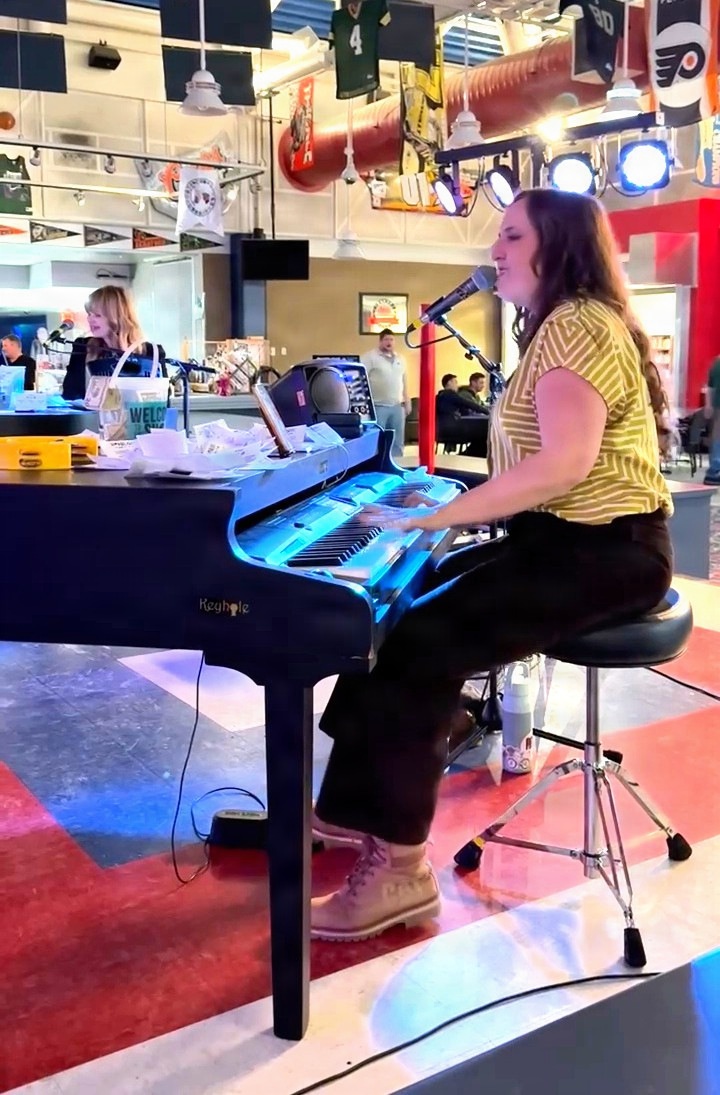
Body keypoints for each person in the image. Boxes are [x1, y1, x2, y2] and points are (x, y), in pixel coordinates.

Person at [310, 188, 673, 942]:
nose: (494, 251)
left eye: (511, 235)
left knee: (426, 640)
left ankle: (403, 869)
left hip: (612, 551)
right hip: (566, 538)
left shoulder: (575, 323)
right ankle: (352, 812)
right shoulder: (560, 324)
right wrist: (444, 499)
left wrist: (434, 513)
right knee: (397, 612)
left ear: (558, 247)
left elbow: (563, 466)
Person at [62, 286, 164, 401]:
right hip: (93, 418)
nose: (90, 320)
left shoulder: (151, 352)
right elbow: (69, 393)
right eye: (89, 314)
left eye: (97, 315)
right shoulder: (83, 346)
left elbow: (163, 397)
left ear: (116, 316)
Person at [361, 328, 410, 459]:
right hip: (378, 406)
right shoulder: (370, 357)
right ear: (380, 341)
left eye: (391, 339)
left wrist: (408, 401)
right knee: (378, 439)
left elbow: (404, 381)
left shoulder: (401, 358)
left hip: (397, 406)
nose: (389, 342)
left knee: (397, 440)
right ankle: (377, 464)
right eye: (386, 339)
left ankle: (398, 463)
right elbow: (361, 378)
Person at [704, 354, 720, 485]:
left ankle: (714, 470)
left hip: (717, 406)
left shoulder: (717, 362)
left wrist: (708, 405)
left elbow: (709, 387)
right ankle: (714, 470)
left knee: (716, 436)